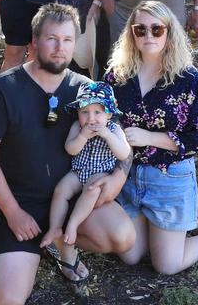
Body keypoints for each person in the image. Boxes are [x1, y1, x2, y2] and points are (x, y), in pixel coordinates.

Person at [0, 3, 135, 305]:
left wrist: (119, 176)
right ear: (34, 41)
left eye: (68, 40)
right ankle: (2, 246)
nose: (60, 48)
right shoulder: (2, 89)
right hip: (22, 202)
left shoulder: (87, 90)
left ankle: (58, 241)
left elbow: (121, 139)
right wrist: (11, 212)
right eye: (52, 39)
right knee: (7, 301)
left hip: (72, 194)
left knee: (122, 237)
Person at [107, 1, 198, 274]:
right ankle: (150, 225)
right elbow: (104, 117)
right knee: (131, 256)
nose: (148, 36)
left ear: (169, 32)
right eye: (140, 29)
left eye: (157, 29)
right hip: (128, 175)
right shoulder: (117, 75)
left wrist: (150, 137)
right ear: (131, 33)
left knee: (167, 266)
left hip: (169, 177)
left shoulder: (188, 78)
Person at [45, 81, 132, 247]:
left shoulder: (113, 129)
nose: (91, 119)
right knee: (60, 190)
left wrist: (108, 136)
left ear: (108, 114)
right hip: (78, 171)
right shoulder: (78, 126)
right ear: (78, 113)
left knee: (91, 191)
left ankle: (73, 224)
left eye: (97, 112)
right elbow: (70, 149)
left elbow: (124, 153)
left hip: (101, 173)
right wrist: (82, 137)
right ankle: (55, 228)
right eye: (85, 112)